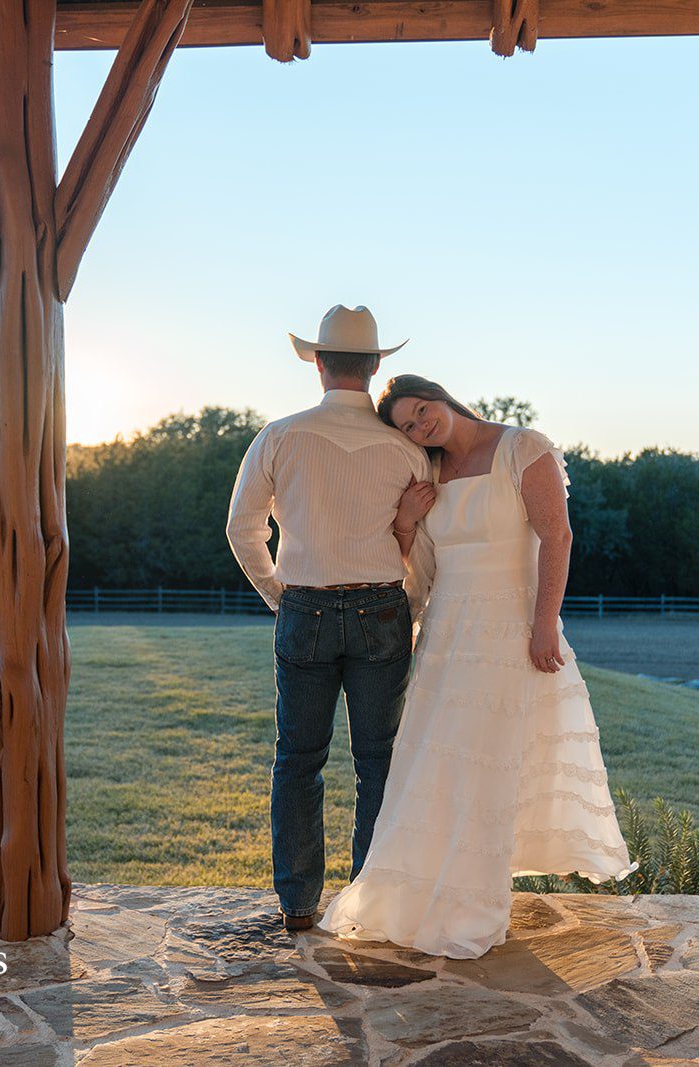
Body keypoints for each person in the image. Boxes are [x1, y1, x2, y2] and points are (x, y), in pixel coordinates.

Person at [317, 373, 636, 959]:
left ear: (440, 395)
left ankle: (474, 905)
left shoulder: (523, 447)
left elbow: (557, 537)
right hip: (447, 633)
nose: (420, 426)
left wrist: (544, 625)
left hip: (512, 625)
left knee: (491, 761)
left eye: (420, 410)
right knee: (439, 760)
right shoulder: (429, 474)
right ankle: (421, 891)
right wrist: (407, 522)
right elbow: (424, 568)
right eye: (408, 426)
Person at [226, 305, 433, 933]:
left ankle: (297, 905)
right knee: (379, 762)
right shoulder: (405, 449)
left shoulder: (279, 435)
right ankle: (370, 905)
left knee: (298, 759)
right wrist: (411, 608)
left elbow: (242, 529)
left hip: (305, 607)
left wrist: (279, 594)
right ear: (374, 367)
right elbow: (423, 548)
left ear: (318, 362)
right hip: (382, 609)